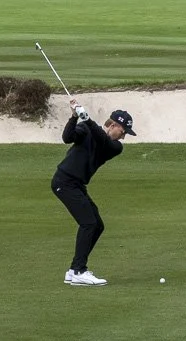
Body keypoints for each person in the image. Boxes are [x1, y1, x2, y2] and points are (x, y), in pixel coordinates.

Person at [51, 101, 135, 286]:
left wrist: (87, 119)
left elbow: (101, 139)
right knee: (88, 223)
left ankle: (74, 270)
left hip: (76, 185)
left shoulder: (115, 147)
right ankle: (79, 271)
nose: (123, 137)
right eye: (123, 132)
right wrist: (74, 117)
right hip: (64, 182)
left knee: (97, 225)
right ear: (113, 125)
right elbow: (67, 137)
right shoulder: (87, 129)